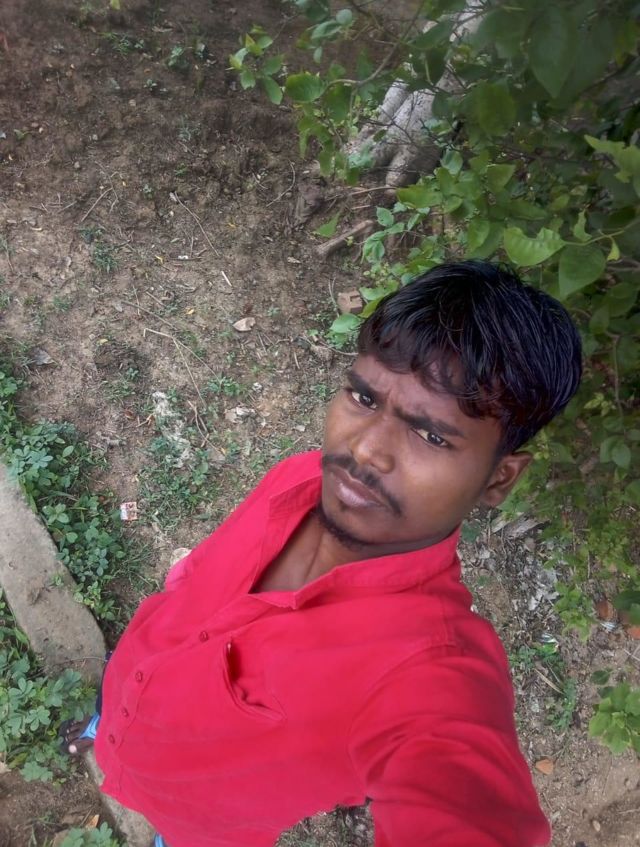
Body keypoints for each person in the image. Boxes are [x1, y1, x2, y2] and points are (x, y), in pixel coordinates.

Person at [62, 260, 582, 847]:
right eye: (363, 397)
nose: (365, 451)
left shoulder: (429, 676)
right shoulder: (301, 477)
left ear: (499, 479)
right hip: (132, 673)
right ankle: (103, 727)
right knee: (113, 707)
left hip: (196, 824)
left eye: (431, 435)